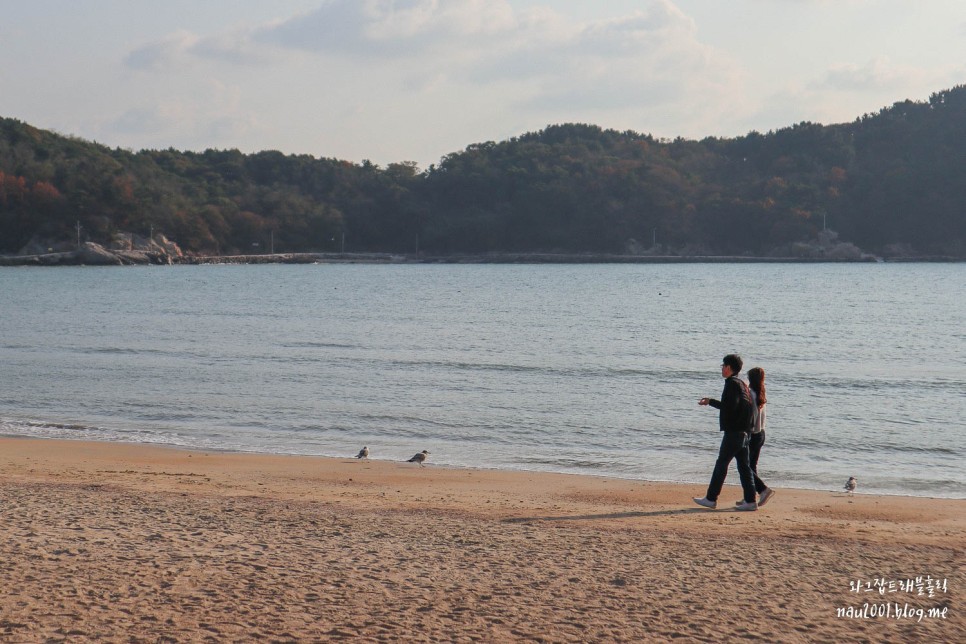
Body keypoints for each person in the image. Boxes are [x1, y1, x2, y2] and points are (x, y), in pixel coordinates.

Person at [693, 354, 758, 511]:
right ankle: (750, 501)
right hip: (744, 432)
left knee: (721, 464)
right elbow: (746, 407)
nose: (721, 368)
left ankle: (711, 498)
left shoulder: (732, 384)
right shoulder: (742, 384)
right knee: (744, 466)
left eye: (723, 366)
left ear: (729, 368)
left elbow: (730, 406)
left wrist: (711, 402)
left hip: (735, 432)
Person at [745, 367, 775, 507]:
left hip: (754, 433)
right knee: (752, 465)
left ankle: (763, 489)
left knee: (745, 466)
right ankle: (750, 495)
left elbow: (752, 415)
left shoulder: (751, 393)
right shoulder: (762, 391)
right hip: (762, 433)